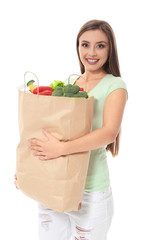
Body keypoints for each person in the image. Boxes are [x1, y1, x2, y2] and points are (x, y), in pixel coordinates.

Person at [15, 19, 128, 240]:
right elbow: (50, 132)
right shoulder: (73, 83)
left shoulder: (115, 85)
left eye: (100, 45)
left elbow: (108, 133)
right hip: (53, 185)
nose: (91, 52)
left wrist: (61, 149)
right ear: (77, 47)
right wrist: (29, 170)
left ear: (110, 49)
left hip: (91, 193)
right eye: (85, 44)